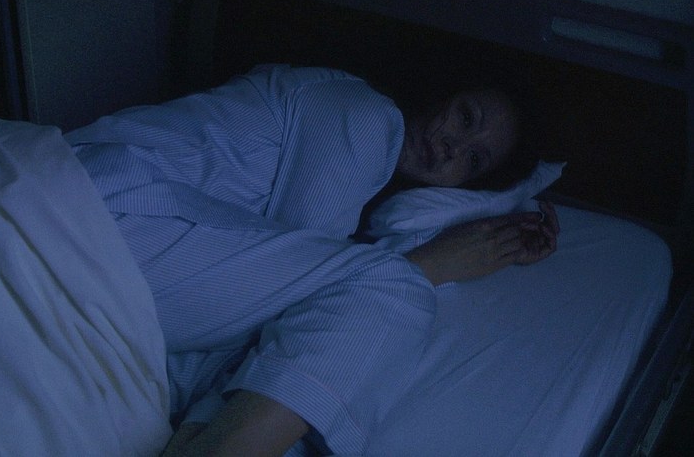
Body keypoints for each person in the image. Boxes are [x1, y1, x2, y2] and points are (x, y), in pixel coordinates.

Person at [64, 64, 558, 456]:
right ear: (442, 90)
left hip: (120, 253)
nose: (453, 147)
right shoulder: (363, 115)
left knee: (296, 374)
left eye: (473, 160)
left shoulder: (364, 196)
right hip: (101, 210)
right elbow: (310, 299)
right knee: (393, 287)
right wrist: (429, 265)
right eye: (466, 118)